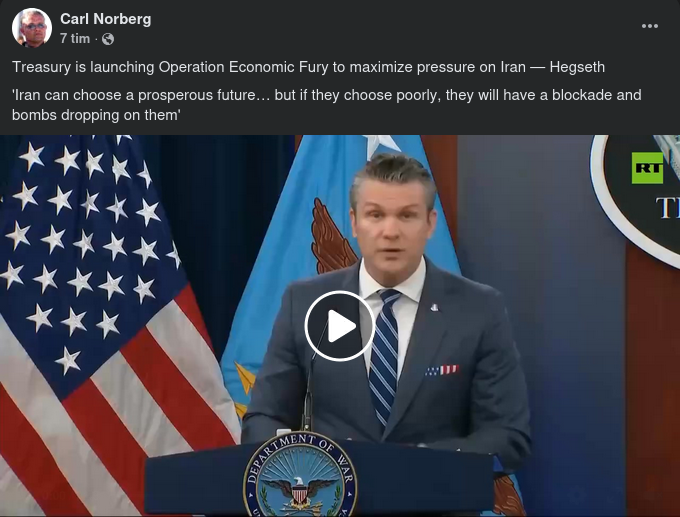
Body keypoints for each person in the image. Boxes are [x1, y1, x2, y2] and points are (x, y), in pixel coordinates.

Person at [242, 152, 531, 473]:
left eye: (407, 216)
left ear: (430, 223)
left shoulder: (478, 309)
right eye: (375, 215)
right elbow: (264, 419)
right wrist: (307, 465)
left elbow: (507, 437)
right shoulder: (306, 303)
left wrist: (414, 463)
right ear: (354, 222)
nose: (390, 231)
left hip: (434, 496)